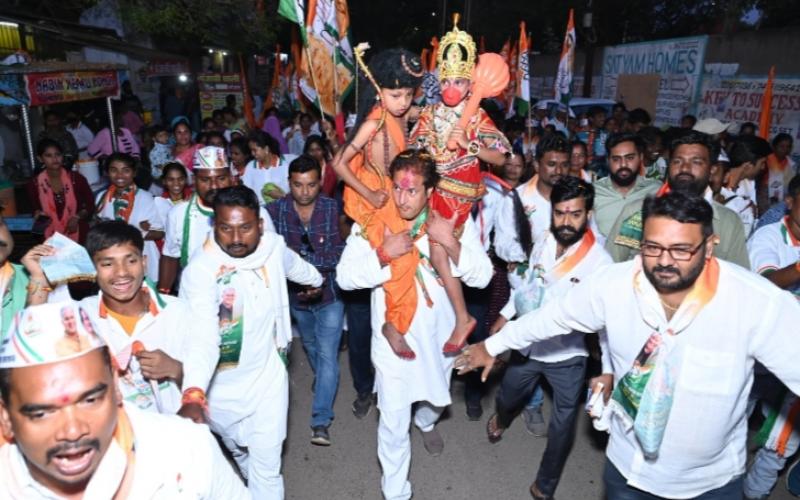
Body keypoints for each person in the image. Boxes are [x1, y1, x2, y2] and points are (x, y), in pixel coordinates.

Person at [458, 190, 800, 499]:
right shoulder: (614, 284)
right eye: (652, 247)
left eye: (681, 249)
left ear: (709, 246)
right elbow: (552, 317)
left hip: (710, 483)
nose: (664, 261)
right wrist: (492, 345)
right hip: (628, 472)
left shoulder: (755, 302)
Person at [336, 150, 492, 500]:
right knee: (392, 422)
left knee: (435, 398)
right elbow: (345, 279)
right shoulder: (373, 226)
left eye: (412, 191)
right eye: (397, 189)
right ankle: (396, 492)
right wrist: (383, 254)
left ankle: (426, 422)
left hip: (440, 341)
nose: (402, 199)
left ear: (430, 191)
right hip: (393, 343)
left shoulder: (450, 223)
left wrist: (450, 242)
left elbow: (483, 278)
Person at [0, 301, 249, 498]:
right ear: (6, 418)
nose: (73, 430)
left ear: (116, 389)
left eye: (90, 400)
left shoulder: (187, 450)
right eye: (42, 413)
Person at [180, 185, 322, 499]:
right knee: (242, 454)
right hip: (221, 390)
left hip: (268, 379)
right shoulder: (201, 272)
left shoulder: (272, 247)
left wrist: (316, 281)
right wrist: (193, 393)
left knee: (267, 470)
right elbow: (201, 338)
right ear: (213, 226)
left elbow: (296, 266)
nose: (235, 239)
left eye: (244, 228)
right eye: (225, 229)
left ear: (259, 225)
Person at [486, 176, 612, 500]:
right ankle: (502, 416)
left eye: (575, 214)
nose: (566, 222)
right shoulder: (543, 239)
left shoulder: (601, 263)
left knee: (563, 425)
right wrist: (505, 313)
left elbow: (607, 325)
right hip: (528, 346)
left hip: (569, 357)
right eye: (560, 213)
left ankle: (546, 484)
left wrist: (606, 369)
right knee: (508, 396)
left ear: (588, 214)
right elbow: (530, 285)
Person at [410, 18, 509, 353]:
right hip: (430, 191)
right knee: (428, 251)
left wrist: (469, 144)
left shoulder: (478, 117)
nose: (452, 86)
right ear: (439, 79)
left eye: (460, 81)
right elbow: (413, 151)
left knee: (439, 245)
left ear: (471, 85)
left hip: (460, 193)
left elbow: (500, 159)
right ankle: (450, 318)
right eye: (447, 79)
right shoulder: (428, 113)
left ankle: (463, 317)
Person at [332, 47, 425, 360]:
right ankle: (393, 324)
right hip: (373, 201)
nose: (403, 103)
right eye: (395, 95)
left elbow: (416, 112)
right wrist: (369, 194)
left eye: (409, 95)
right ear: (378, 90)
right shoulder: (374, 122)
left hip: (395, 192)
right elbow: (339, 164)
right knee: (402, 259)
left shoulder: (401, 112)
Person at [267, 154, 346, 445]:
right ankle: (322, 380)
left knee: (328, 355)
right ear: (289, 183)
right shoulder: (273, 211)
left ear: (319, 183)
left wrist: (314, 274)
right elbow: (270, 254)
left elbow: (342, 251)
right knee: (310, 344)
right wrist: (301, 277)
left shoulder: (332, 208)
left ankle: (320, 420)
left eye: (311, 185)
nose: (305, 191)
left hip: (330, 295)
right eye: (298, 185)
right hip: (295, 297)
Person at [605, 130, 750, 268]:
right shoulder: (637, 212)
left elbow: (739, 280)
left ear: (712, 170)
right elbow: (610, 266)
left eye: (696, 162)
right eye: (677, 161)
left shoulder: (729, 222)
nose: (685, 168)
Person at [744, 173, 800, 499]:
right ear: (790, 204)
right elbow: (764, 282)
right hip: (759, 353)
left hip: (795, 361)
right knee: (730, 423)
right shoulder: (769, 237)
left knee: (782, 440)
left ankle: (754, 493)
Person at [158, 146, 275, 294]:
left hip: (247, 295)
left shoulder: (255, 212)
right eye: (205, 179)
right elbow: (170, 255)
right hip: (198, 295)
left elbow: (273, 256)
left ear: (231, 178)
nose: (214, 186)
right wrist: (162, 294)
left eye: (221, 178)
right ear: (194, 180)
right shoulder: (179, 214)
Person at [95, 153, 164, 282]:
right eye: (114, 170)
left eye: (125, 170)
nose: (119, 175)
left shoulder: (145, 198)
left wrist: (125, 233)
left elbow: (159, 233)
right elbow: (99, 227)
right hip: (112, 259)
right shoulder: (102, 198)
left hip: (142, 258)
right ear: (107, 173)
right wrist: (139, 229)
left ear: (134, 173)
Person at [25, 139, 94, 243]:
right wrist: (38, 214)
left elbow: (90, 204)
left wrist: (77, 217)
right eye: (48, 155)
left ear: (63, 156)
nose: (55, 159)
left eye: (58, 154)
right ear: (40, 159)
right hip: (48, 235)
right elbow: (35, 210)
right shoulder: (34, 184)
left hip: (77, 230)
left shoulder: (77, 179)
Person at [593, 133, 661, 238]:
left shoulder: (656, 190)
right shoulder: (594, 192)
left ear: (640, 157)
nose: (623, 165)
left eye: (629, 158)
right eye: (616, 159)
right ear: (608, 160)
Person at [718, 135, 772, 237]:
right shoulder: (718, 187)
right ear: (748, 166)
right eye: (762, 163)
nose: (763, 167)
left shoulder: (749, 184)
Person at [243, 129, 296, 204]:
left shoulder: (284, 166)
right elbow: (247, 192)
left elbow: (291, 193)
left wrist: (279, 195)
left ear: (266, 149)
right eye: (251, 150)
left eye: (255, 150)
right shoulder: (251, 167)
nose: (252, 153)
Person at [766, 133, 796, 206]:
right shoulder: (765, 162)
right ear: (774, 146)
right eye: (782, 146)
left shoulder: (792, 165)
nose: (785, 149)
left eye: (788, 147)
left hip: (782, 203)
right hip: (763, 200)